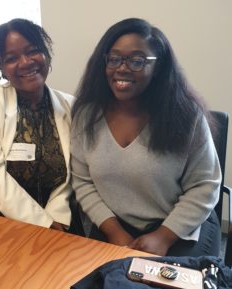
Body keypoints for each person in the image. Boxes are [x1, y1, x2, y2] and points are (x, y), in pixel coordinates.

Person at [71, 18, 221, 256]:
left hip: (180, 225)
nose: (122, 68)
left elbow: (204, 186)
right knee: (99, 287)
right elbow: (82, 182)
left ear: (158, 67)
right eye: (114, 58)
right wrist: (114, 231)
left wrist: (164, 236)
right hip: (116, 225)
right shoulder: (86, 116)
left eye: (137, 61)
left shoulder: (186, 116)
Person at [0, 18, 74, 230]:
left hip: (56, 215)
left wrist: (56, 218)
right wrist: (44, 224)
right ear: (2, 67)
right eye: (12, 58)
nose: (25, 62)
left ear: (46, 53)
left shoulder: (70, 106)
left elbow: (70, 175)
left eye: (33, 50)